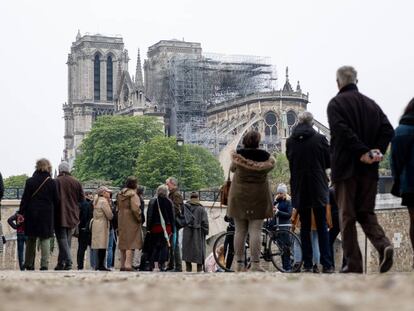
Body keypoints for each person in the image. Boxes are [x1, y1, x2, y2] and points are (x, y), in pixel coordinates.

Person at [327, 66, 395, 273]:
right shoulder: (371, 104)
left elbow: (341, 131)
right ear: (357, 81)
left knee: (347, 216)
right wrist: (376, 152)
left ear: (338, 82)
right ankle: (384, 245)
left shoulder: (335, 104)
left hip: (346, 170)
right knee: (366, 213)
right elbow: (388, 130)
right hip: (369, 171)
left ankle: (353, 263)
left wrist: (362, 152)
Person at [286, 111, 334, 273]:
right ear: (312, 123)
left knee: (305, 227)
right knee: (321, 227)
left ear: (298, 122)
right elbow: (329, 162)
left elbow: (290, 160)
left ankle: (307, 264)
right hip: (317, 186)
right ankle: (326, 265)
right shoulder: (320, 139)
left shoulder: (290, 141)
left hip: (300, 187)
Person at [227, 130, 275, 272]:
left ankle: (239, 264)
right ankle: (255, 264)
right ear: (258, 142)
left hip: (239, 196)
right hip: (258, 197)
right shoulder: (265, 157)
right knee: (255, 231)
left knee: (239, 231)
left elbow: (232, 169)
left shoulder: (238, 155)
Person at [18, 158, 59, 270]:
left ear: (36, 167)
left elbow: (25, 199)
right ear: (48, 167)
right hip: (46, 214)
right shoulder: (51, 182)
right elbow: (56, 200)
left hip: (32, 213)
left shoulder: (30, 181)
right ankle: (44, 264)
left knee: (31, 238)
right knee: (45, 238)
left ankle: (29, 264)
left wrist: (21, 212)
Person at [391, 98, 414, 269]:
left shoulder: (400, 131)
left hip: (410, 183)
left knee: (413, 221)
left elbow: (395, 161)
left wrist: (397, 180)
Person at [54, 161, 85, 270]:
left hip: (59, 213)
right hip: (72, 214)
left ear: (59, 170)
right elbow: (82, 200)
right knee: (67, 240)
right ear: (68, 170)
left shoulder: (56, 182)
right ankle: (61, 264)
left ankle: (68, 262)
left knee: (61, 239)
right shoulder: (76, 182)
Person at [117, 176, 143, 271]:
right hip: (131, 219)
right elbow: (135, 209)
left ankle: (122, 264)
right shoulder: (133, 195)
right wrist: (139, 218)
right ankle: (128, 264)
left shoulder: (120, 194)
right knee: (130, 242)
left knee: (123, 241)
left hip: (121, 218)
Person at [146, 185, 174, 271]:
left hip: (155, 227)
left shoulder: (153, 201)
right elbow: (171, 216)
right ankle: (162, 264)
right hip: (166, 227)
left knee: (154, 245)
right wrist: (172, 228)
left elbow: (149, 215)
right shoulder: (169, 202)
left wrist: (148, 228)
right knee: (164, 246)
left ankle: (152, 264)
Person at [182, 192, 209, 272]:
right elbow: (205, 222)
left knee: (187, 250)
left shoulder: (185, 208)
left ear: (190, 198)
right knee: (198, 251)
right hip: (198, 232)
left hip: (187, 231)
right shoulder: (201, 209)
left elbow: (182, 219)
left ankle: (188, 269)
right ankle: (199, 269)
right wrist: (206, 231)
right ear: (197, 198)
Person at [91, 186, 113, 271]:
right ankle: (101, 265)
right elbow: (110, 215)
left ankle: (96, 265)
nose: (109, 193)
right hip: (102, 224)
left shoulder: (96, 200)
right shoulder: (104, 201)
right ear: (103, 193)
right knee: (102, 246)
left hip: (96, 224)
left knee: (97, 246)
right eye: (107, 192)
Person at [272, 183, 293, 272]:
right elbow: (272, 207)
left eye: (281, 193)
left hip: (285, 227)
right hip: (278, 227)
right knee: (281, 248)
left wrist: (278, 212)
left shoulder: (289, 201)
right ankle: (284, 268)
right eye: (278, 193)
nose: (279, 194)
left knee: (286, 248)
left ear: (285, 193)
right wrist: (275, 203)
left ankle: (288, 267)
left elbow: (289, 214)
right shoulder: (278, 201)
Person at [166, 177, 183, 272]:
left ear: (172, 184)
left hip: (174, 222)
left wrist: (169, 216)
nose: (167, 186)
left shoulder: (176, 194)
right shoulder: (173, 194)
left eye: (167, 184)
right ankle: (171, 265)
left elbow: (176, 209)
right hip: (172, 222)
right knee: (172, 243)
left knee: (175, 244)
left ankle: (178, 266)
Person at [77, 191, 94, 270]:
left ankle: (80, 266)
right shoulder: (92, 204)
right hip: (90, 229)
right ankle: (93, 265)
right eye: (90, 195)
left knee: (81, 249)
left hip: (82, 228)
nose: (91, 197)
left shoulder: (80, 204)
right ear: (86, 195)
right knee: (93, 248)